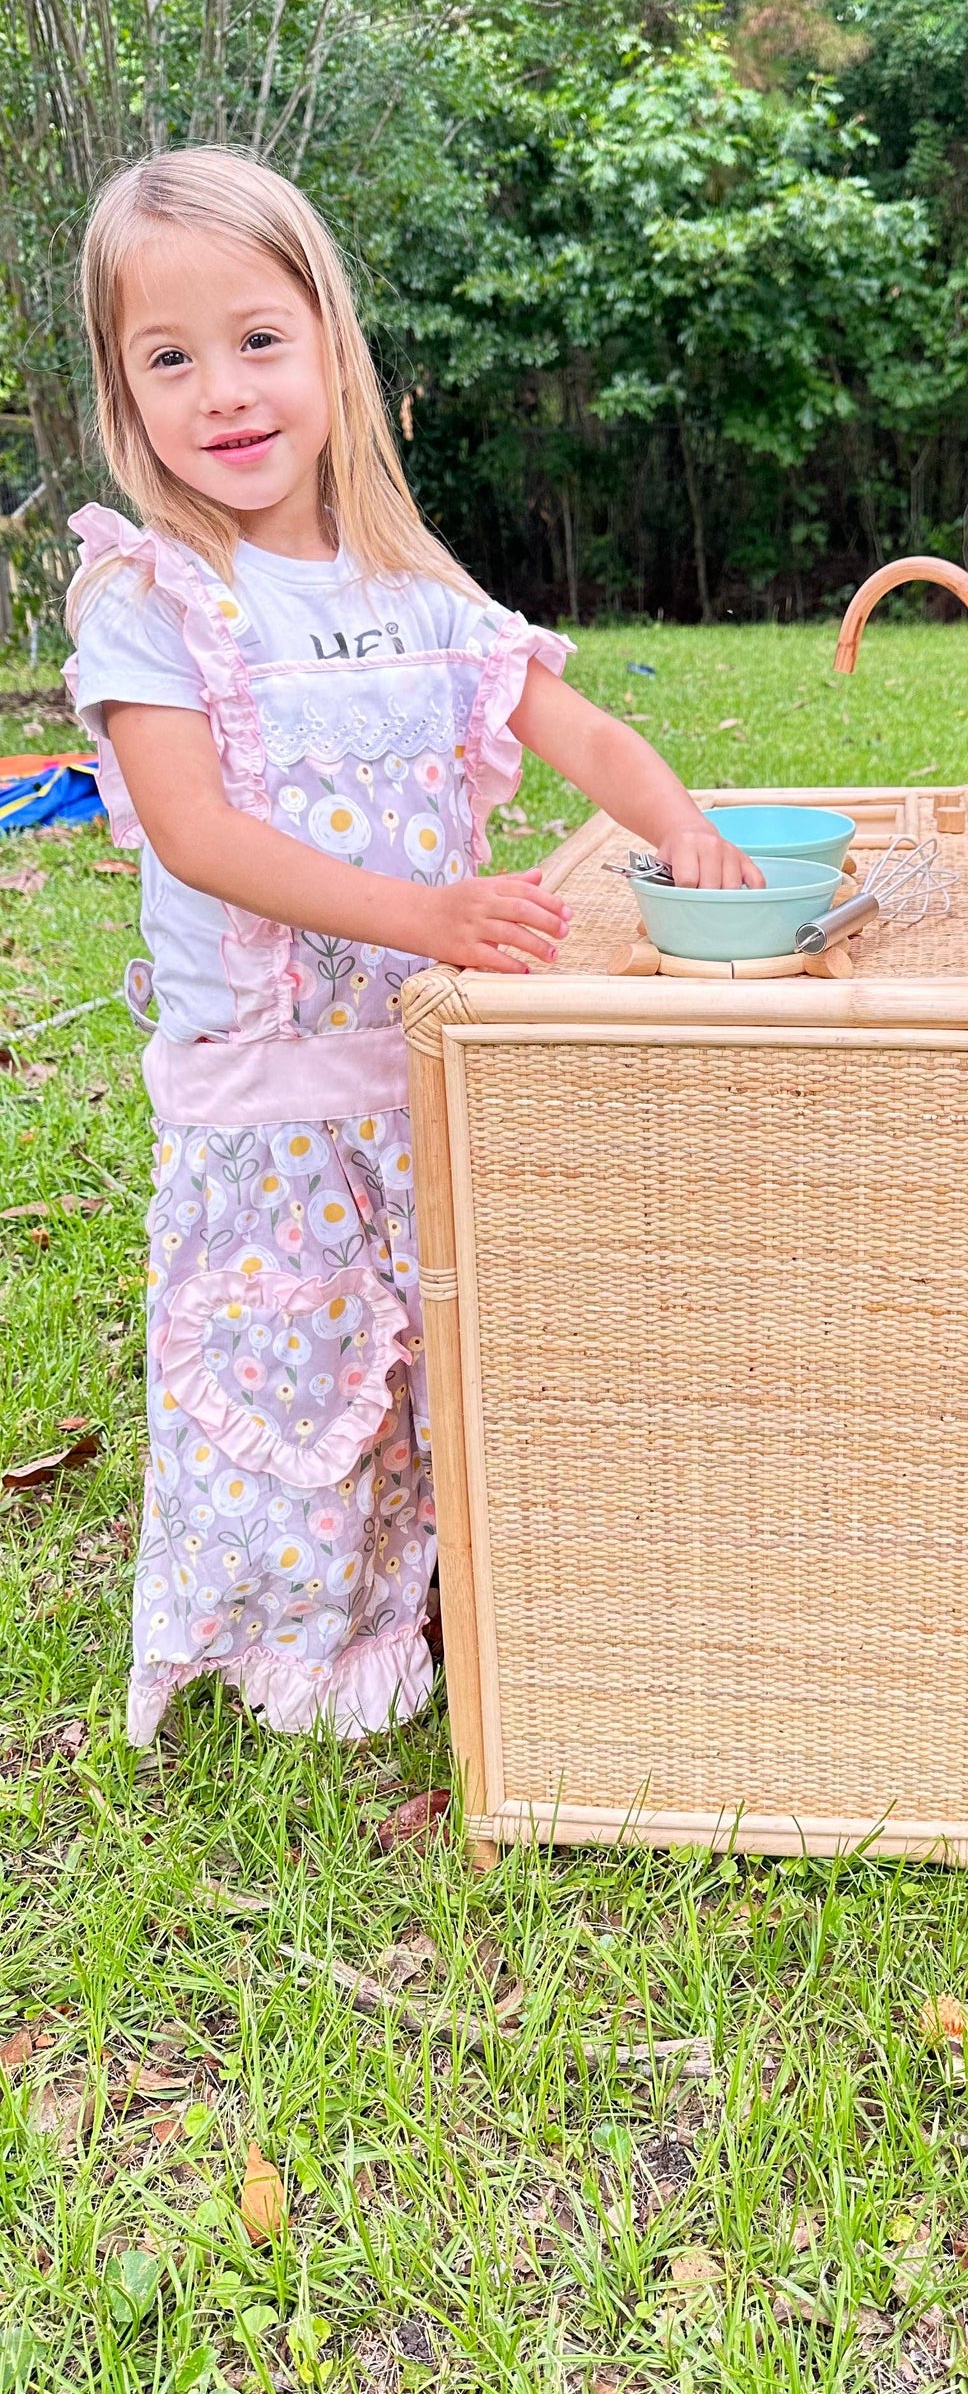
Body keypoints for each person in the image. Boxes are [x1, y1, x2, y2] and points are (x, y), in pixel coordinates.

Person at [67, 147, 761, 1748]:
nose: (224, 392)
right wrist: (431, 919)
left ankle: (467, 1588)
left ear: (328, 347)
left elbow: (564, 713)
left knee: (457, 1344)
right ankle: (304, 1638)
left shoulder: (405, 584)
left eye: (256, 340)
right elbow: (198, 834)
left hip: (436, 1066)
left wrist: (684, 827)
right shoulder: (154, 593)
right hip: (276, 1093)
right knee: (298, 1365)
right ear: (123, 391)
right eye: (169, 359)